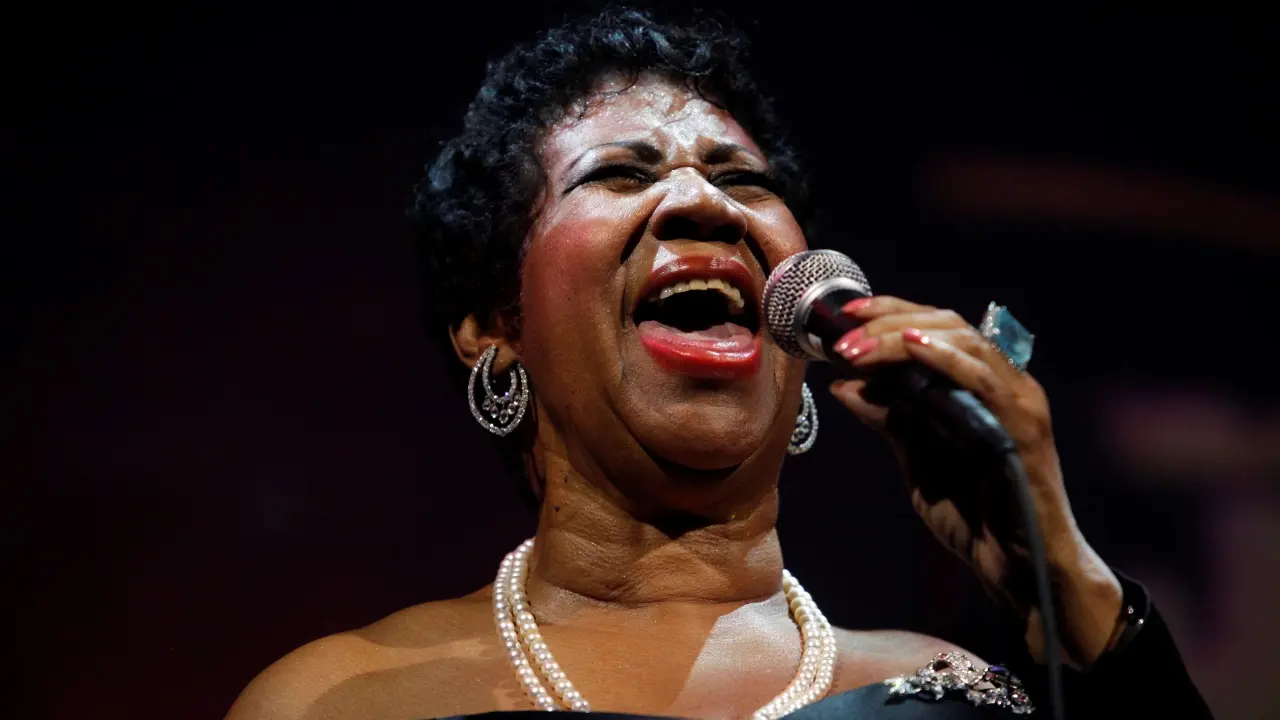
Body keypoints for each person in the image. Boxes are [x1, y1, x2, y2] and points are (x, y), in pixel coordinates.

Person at [227, 8, 1209, 720]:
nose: (706, 203)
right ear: (495, 323)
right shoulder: (340, 701)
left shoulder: (953, 699)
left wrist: (1064, 578)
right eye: (622, 172)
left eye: (743, 179)